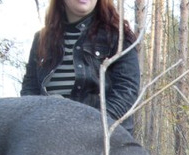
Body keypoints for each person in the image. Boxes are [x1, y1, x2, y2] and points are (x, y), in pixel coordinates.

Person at [21, 0, 140, 134]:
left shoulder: (118, 36)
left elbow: (126, 91)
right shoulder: (42, 39)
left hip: (103, 138)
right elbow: (29, 90)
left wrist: (86, 126)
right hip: (48, 134)